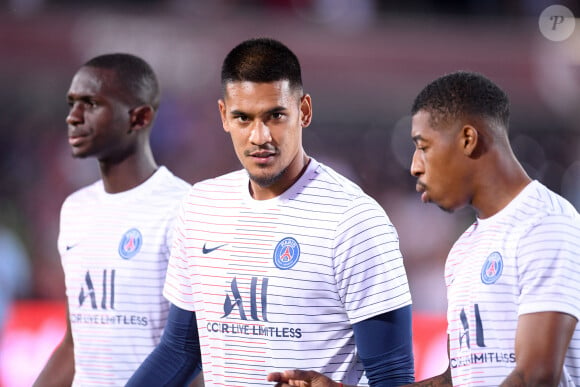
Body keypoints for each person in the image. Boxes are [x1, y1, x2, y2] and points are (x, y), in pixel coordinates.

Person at [127, 38, 415, 387]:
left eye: (275, 116)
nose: (259, 136)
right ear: (224, 116)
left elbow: (393, 378)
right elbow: (182, 349)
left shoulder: (355, 221)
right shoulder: (200, 205)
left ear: (304, 111)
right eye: (243, 118)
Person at [268, 71, 580, 386]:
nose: (415, 165)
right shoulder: (465, 250)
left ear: (468, 140)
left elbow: (537, 376)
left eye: (424, 146)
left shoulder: (545, 224)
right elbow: (452, 380)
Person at [33, 53, 202, 386]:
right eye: (72, 104)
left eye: (91, 104)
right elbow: (73, 345)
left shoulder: (186, 208)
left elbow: (198, 355)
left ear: (139, 117)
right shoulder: (75, 209)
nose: (73, 117)